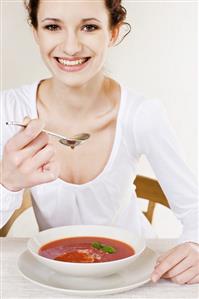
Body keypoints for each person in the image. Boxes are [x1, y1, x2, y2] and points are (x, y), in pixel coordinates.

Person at [0, 0, 198, 285]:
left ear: (113, 32)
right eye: (53, 26)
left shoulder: (142, 114)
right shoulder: (9, 109)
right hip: (57, 276)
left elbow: (195, 210)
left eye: (89, 27)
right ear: (36, 33)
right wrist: (7, 183)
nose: (70, 47)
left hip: (139, 275)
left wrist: (195, 247)